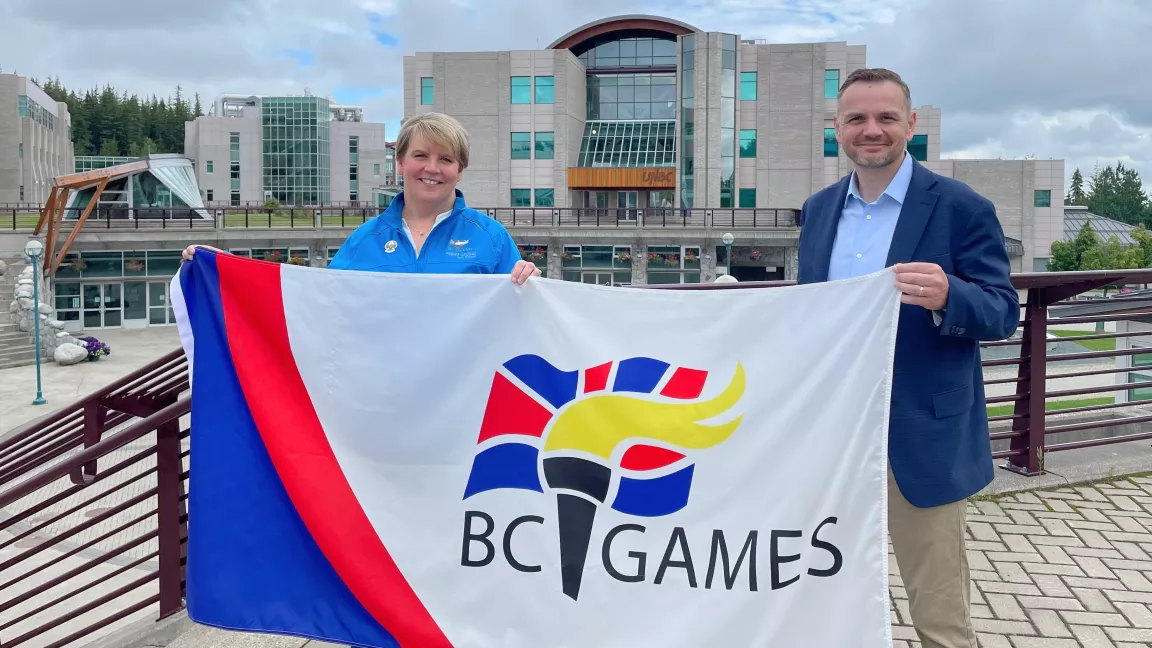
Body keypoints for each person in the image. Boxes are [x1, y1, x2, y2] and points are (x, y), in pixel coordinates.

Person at [796, 68, 1018, 648]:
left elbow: (1001, 311)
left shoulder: (961, 207)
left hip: (920, 435)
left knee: (938, 613)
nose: (873, 130)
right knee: (826, 593)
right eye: (857, 119)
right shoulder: (817, 211)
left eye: (886, 117)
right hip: (834, 437)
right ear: (837, 128)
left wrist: (951, 296)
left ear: (911, 124)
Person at [181, 112, 540, 285]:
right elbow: (318, 303)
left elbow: (526, 320)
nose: (432, 168)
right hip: (384, 402)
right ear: (400, 163)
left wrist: (532, 284)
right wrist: (227, 270)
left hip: (468, 405)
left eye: (445, 159)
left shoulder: (490, 237)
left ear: (459, 170)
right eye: (420, 156)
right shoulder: (364, 240)